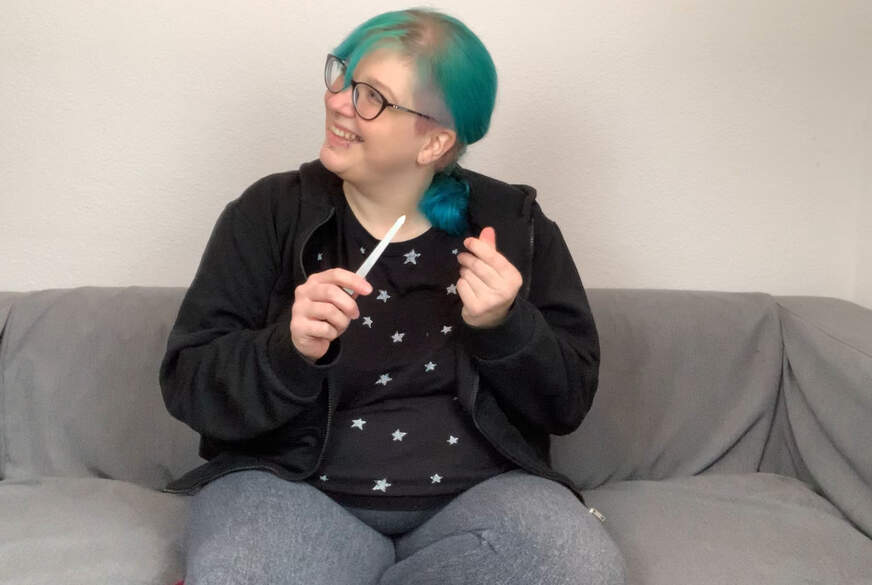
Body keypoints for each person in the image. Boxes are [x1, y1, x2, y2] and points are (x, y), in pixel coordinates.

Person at [159, 7, 626, 585]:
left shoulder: (516, 225)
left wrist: (506, 325)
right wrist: (288, 349)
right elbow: (189, 384)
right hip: (292, 488)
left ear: (434, 142)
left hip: (481, 495)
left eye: (372, 98)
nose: (338, 102)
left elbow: (567, 404)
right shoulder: (268, 212)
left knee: (579, 567)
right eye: (344, 77)